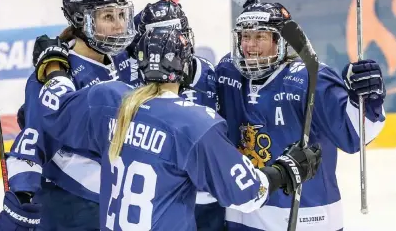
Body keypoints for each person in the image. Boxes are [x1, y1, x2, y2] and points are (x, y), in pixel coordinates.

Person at [28, 26, 321, 230]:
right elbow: (247, 194)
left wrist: (54, 66)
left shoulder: (106, 99)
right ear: (184, 66)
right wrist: (286, 171)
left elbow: (56, 106)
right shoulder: (195, 124)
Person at [215, 2, 386, 231]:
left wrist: (368, 99)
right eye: (246, 36)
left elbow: (354, 135)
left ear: (280, 41)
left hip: (308, 217)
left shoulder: (310, 77)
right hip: (243, 216)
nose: (249, 46)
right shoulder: (227, 72)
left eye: (260, 37)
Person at [0, 0, 136, 231]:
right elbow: (33, 138)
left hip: (120, 202)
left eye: (121, 15)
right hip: (73, 207)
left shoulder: (124, 59)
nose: (118, 26)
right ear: (81, 20)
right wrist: (23, 197)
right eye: (107, 17)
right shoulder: (55, 73)